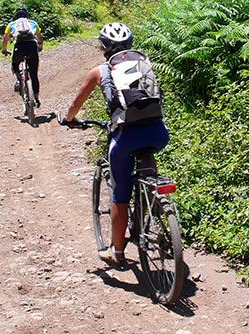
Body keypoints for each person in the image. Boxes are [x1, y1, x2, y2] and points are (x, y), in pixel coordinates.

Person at [60, 22, 169, 267]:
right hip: (158, 132)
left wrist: (69, 121)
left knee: (120, 194)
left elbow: (76, 105)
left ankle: (116, 251)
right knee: (147, 162)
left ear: (103, 47)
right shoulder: (144, 63)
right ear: (130, 45)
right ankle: (153, 206)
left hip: (126, 137)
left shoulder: (99, 71)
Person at [1, 7, 43, 107]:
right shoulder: (33, 23)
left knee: (14, 65)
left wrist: (4, 50)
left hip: (19, 47)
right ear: (27, 15)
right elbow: (40, 37)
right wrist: (40, 46)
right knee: (34, 75)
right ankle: (36, 98)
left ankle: (18, 80)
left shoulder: (11, 24)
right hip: (32, 47)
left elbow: (5, 39)